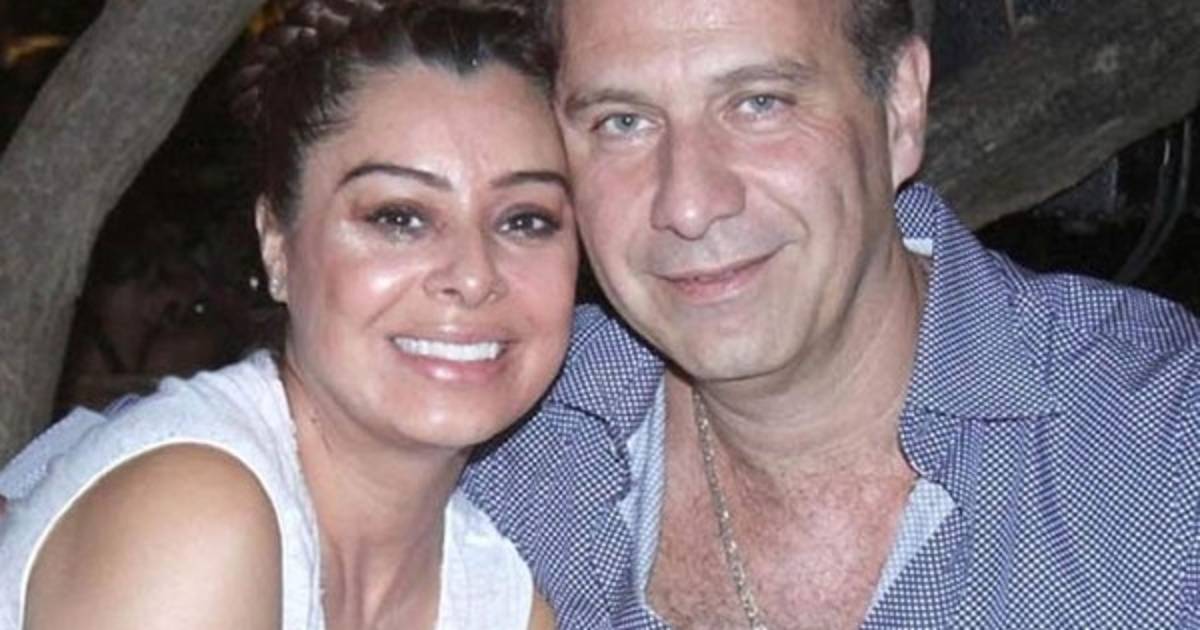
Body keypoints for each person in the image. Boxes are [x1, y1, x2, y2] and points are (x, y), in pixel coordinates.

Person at [458, 0, 1200, 627]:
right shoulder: (496, 444)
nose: (687, 203)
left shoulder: (1163, 454)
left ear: (900, 108)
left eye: (760, 103)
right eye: (623, 122)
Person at [0, 2, 573, 628]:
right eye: (399, 217)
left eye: (526, 220)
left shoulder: (503, 601)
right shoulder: (193, 518)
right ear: (276, 245)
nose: (474, 275)